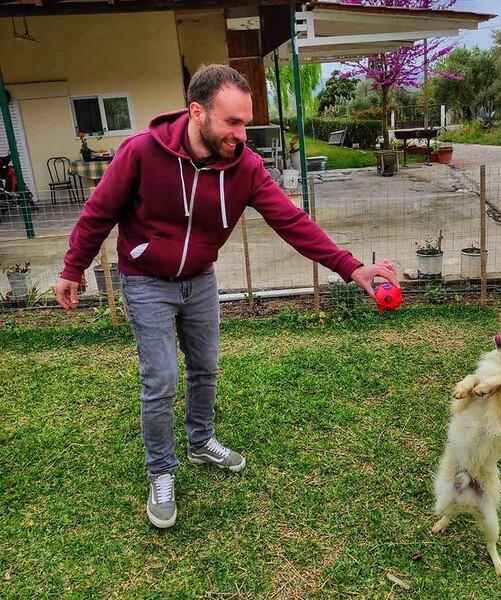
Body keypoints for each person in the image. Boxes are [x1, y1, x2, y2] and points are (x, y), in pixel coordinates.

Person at [55, 64, 399, 529]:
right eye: (232, 122)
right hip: (145, 280)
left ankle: (201, 443)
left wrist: (351, 266)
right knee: (160, 381)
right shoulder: (141, 152)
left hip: (199, 280)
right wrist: (73, 268)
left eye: (245, 122)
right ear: (197, 112)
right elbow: (99, 212)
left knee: (205, 368)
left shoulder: (245, 166)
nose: (242, 134)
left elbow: (291, 221)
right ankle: (161, 471)